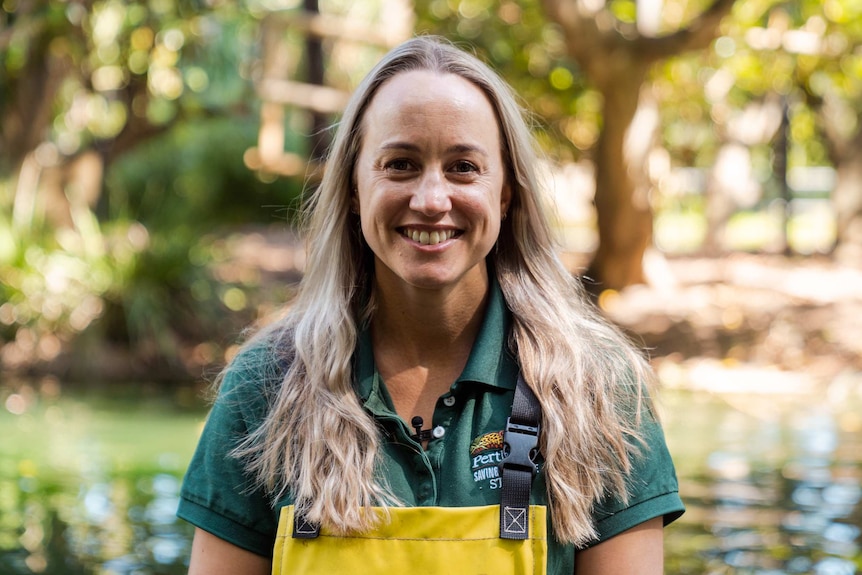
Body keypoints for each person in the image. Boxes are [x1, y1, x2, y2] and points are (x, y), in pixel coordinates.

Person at [177, 35, 684, 574]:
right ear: (353, 186)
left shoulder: (596, 387)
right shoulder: (267, 387)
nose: (431, 200)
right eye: (400, 164)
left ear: (506, 193)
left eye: (464, 167)